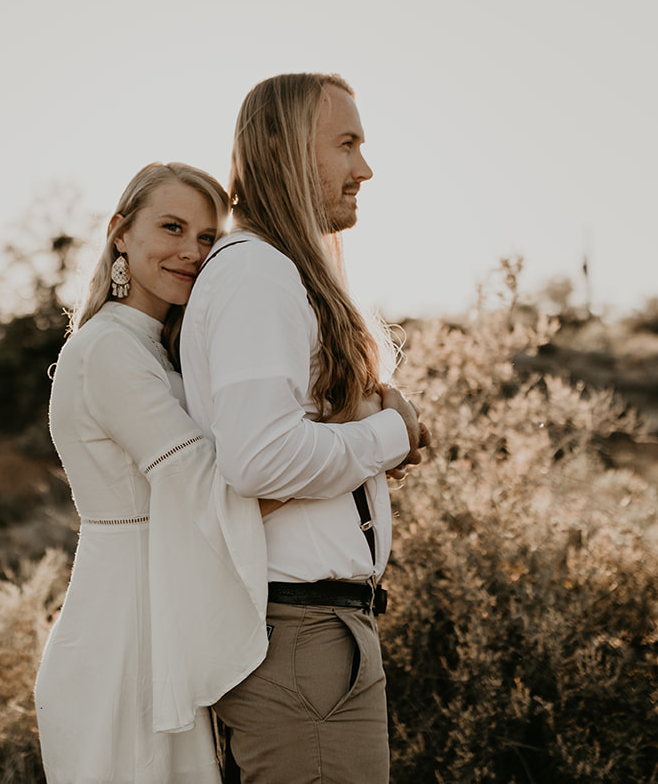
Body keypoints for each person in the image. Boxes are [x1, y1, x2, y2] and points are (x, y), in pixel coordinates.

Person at [181, 74, 427, 784]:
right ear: (280, 148)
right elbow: (261, 458)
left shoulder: (274, 271)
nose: (365, 168)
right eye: (346, 144)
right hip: (301, 637)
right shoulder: (257, 273)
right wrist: (390, 435)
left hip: (316, 636)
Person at [34, 162, 270, 784]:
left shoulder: (152, 349)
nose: (191, 252)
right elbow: (208, 482)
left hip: (157, 611)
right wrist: (365, 440)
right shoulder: (108, 347)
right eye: (172, 227)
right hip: (122, 632)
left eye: (207, 238)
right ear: (120, 233)